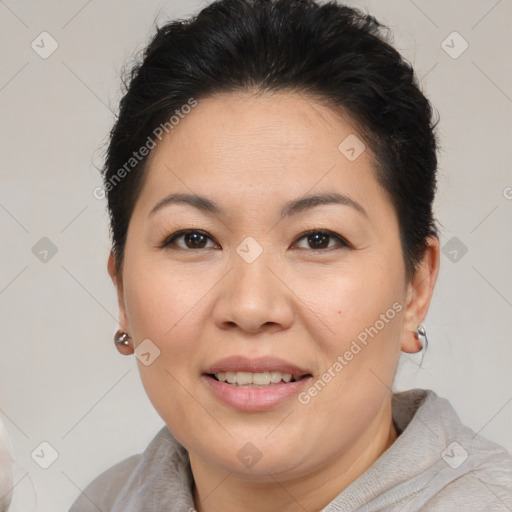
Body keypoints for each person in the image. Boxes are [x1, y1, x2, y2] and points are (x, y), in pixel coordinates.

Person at [69, 0, 512, 510]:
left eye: (318, 239)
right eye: (193, 238)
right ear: (122, 288)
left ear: (415, 288)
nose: (251, 308)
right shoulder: (106, 501)